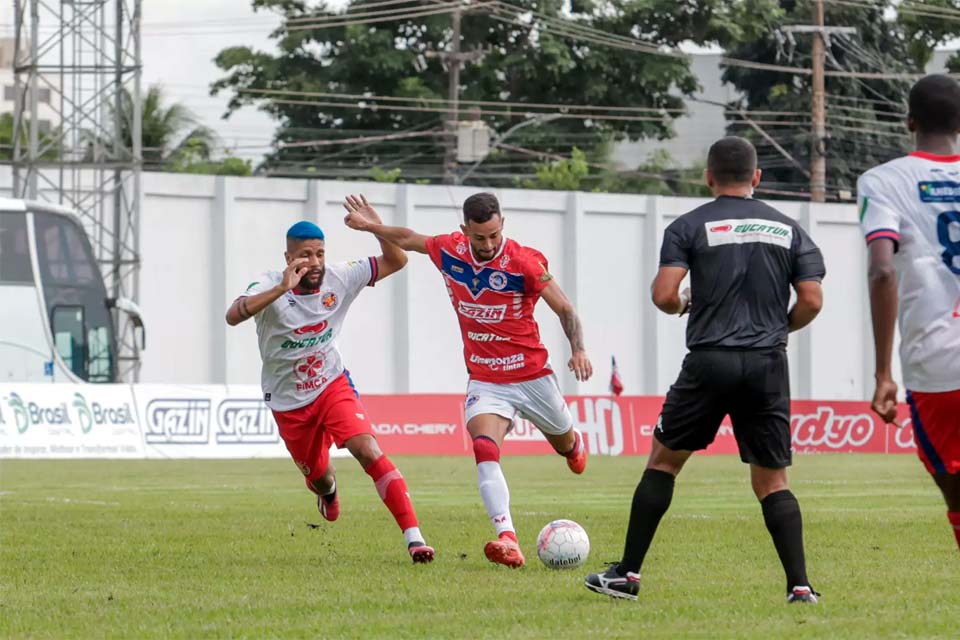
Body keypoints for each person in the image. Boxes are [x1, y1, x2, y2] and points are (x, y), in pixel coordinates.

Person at [584, 137, 826, 603]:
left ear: (708, 176)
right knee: (772, 481)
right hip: (767, 363)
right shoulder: (789, 229)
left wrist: (682, 304)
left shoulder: (689, 226)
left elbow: (663, 294)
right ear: (757, 177)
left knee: (663, 462)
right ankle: (800, 586)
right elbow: (812, 300)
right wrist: (778, 328)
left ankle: (626, 575)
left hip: (709, 361)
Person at [342, 192, 592, 569]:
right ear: (464, 230)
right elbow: (408, 238)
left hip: (532, 375)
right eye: (479, 237)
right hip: (485, 378)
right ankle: (508, 538)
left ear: (502, 225)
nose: (488, 244)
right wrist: (371, 227)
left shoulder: (524, 262)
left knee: (565, 445)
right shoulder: (450, 250)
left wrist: (579, 350)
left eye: (494, 235)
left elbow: (565, 308)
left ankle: (572, 445)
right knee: (484, 448)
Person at [225, 218, 435, 563]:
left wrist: (374, 227)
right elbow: (233, 315)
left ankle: (415, 538)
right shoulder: (268, 284)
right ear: (288, 257)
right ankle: (329, 491)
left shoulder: (340, 276)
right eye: (305, 255)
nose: (314, 262)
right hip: (289, 402)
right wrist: (281, 289)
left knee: (367, 449)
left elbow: (397, 260)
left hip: (330, 383)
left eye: (320, 254)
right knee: (320, 478)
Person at [859, 74, 960, 552]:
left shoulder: (883, 181)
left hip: (937, 364)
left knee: (956, 496)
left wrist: (883, 373)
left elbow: (882, 270)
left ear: (909, 122)